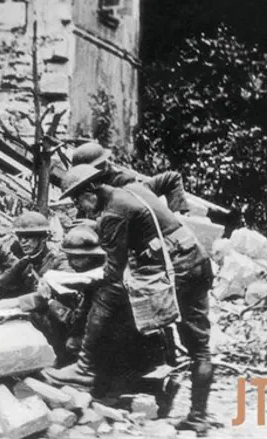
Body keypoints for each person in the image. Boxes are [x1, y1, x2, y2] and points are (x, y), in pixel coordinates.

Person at [44, 164, 215, 436]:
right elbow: (170, 179)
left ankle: (85, 367)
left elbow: (112, 272)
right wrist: (177, 211)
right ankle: (198, 417)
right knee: (199, 346)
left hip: (175, 274)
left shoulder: (112, 213)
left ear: (90, 190)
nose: (81, 208)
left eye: (78, 200)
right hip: (196, 260)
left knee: (108, 295)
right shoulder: (133, 188)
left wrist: (73, 280)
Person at [0, 226, 105, 366]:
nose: (72, 262)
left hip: (97, 342)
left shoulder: (88, 278)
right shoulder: (29, 260)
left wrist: (47, 301)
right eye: (20, 238)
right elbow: (4, 280)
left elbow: (73, 319)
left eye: (76, 258)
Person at [72, 142, 241, 228]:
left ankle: (219, 219)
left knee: (191, 209)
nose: (106, 166)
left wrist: (178, 213)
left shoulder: (122, 180)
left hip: (148, 204)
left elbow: (128, 214)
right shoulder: (89, 186)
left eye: (104, 164)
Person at [0, 211, 71, 302]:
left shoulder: (58, 261)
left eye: (28, 237)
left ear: (43, 238)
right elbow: (3, 282)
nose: (23, 241)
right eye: (20, 237)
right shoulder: (25, 263)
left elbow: (62, 294)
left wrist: (16, 302)